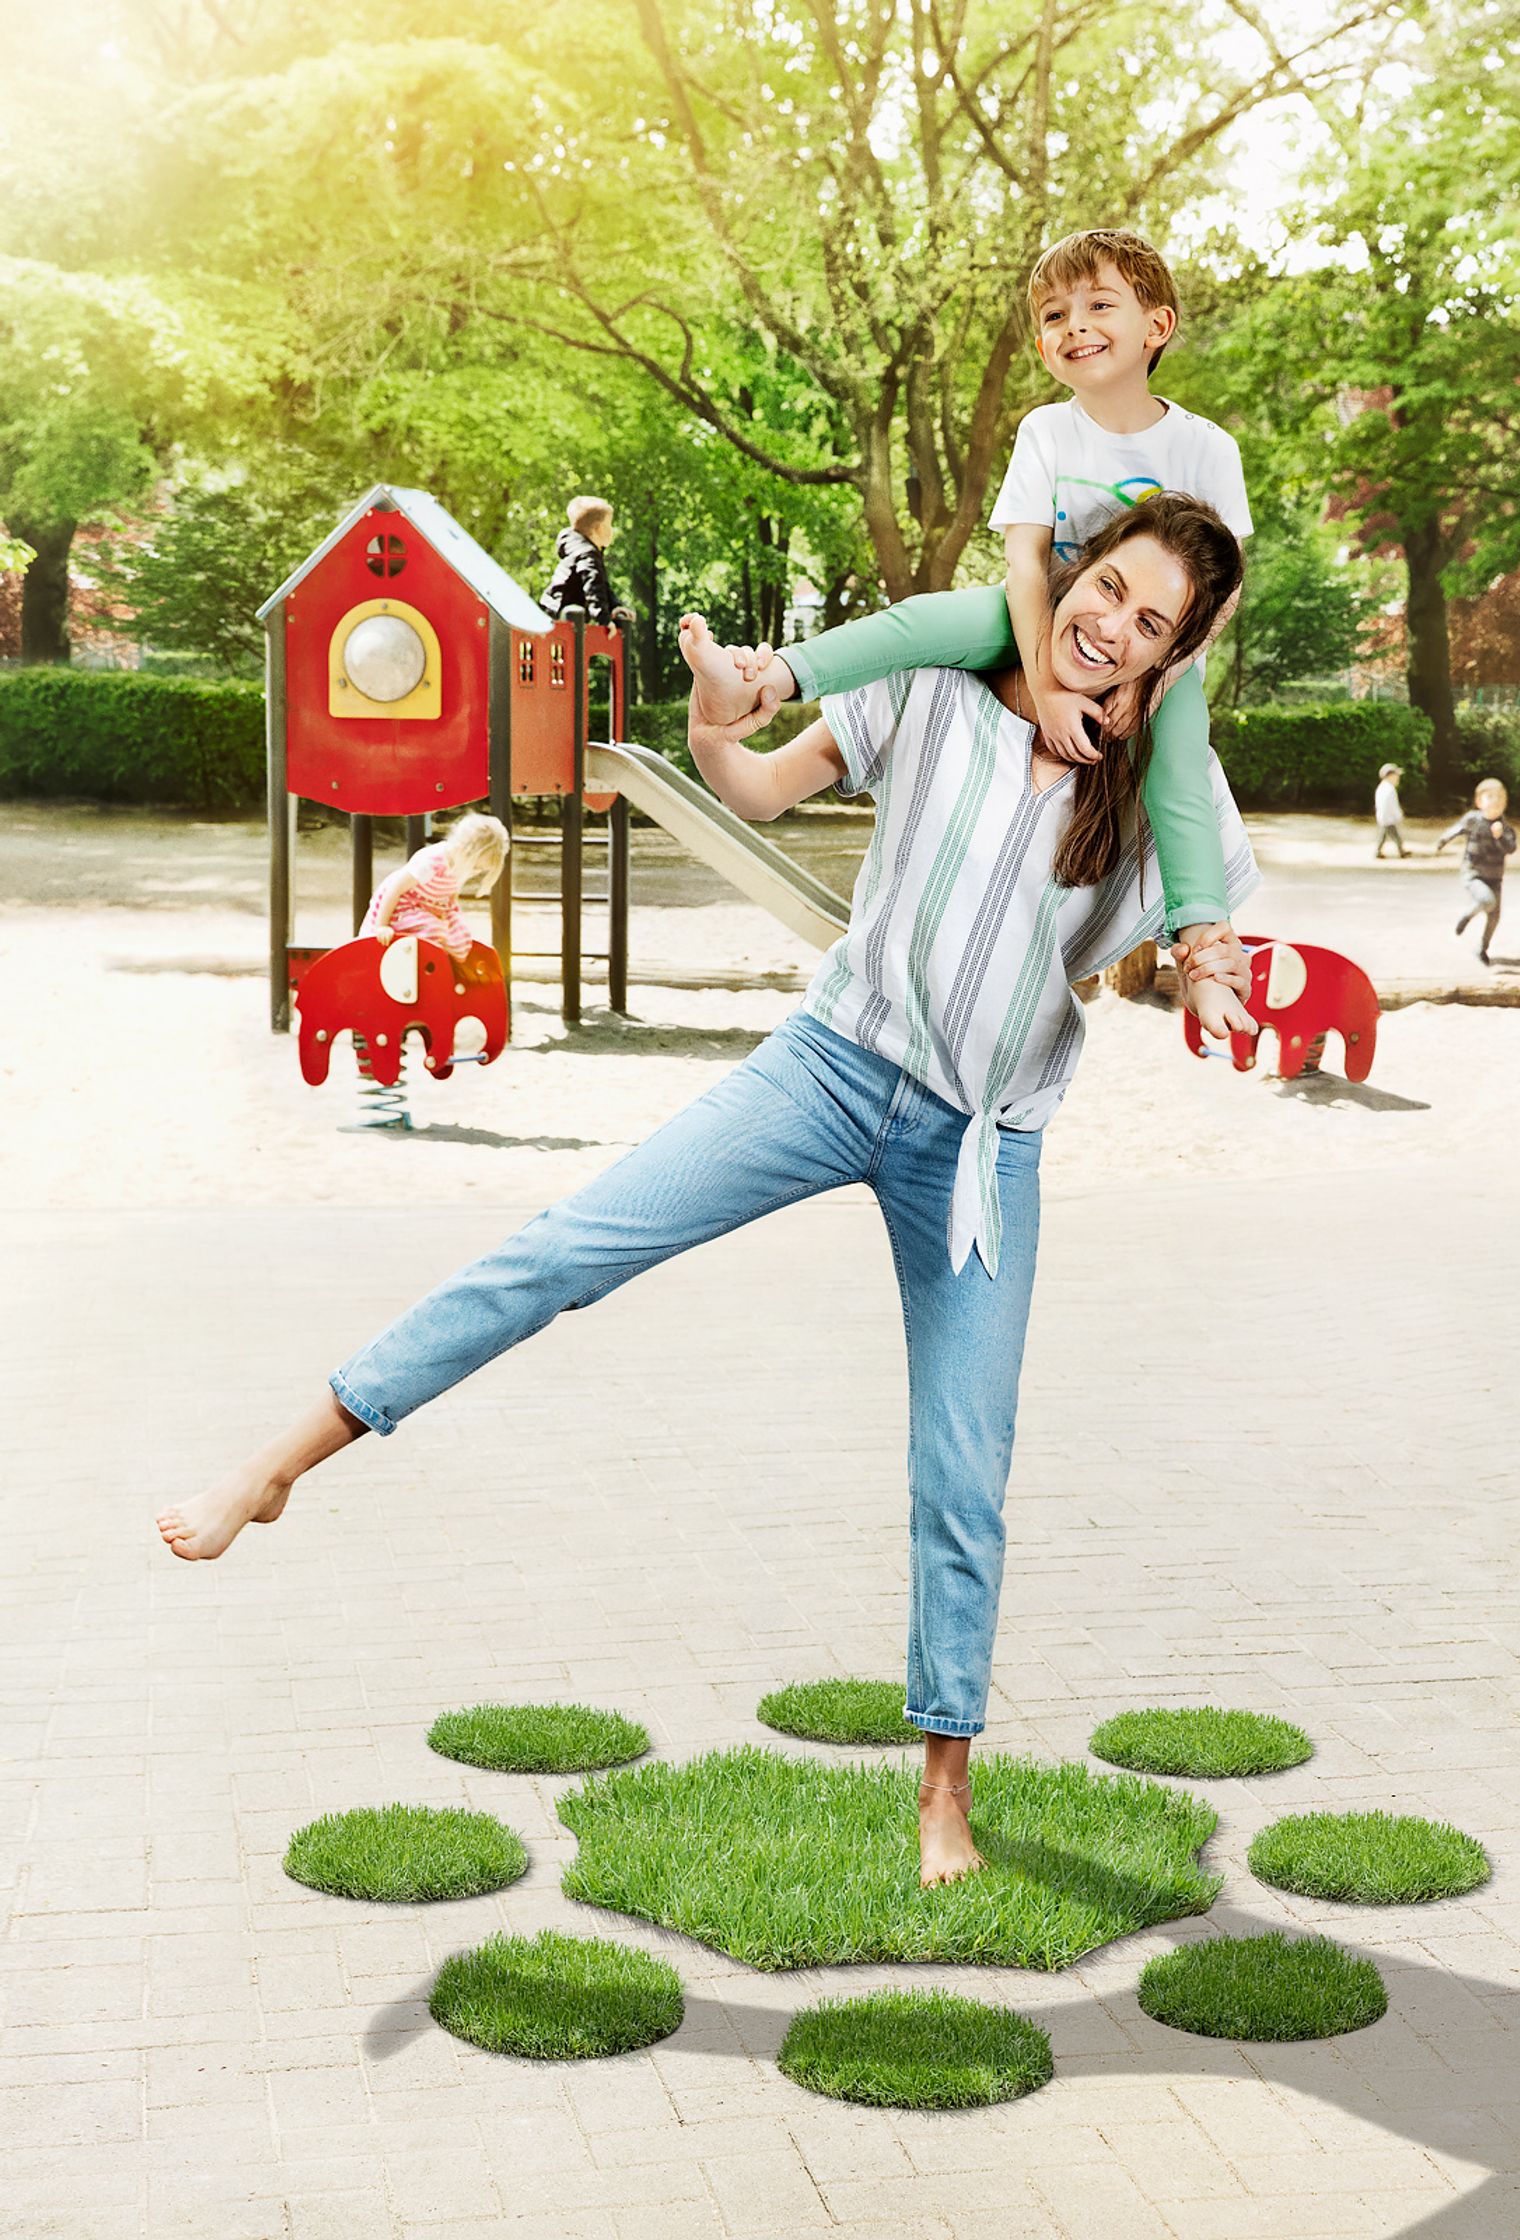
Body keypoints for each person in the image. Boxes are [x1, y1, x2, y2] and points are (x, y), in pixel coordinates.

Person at [155, 494, 1257, 1891]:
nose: (1109, 627)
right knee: (563, 1252)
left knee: (964, 1469)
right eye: (1106, 589)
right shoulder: (931, 690)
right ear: (1068, 576)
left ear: (1172, 658)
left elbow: (1183, 941)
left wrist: (1209, 983)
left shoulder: (1158, 791)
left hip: (981, 1149)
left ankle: (943, 1796)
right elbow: (758, 791)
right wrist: (714, 727)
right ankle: (278, 1462)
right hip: (831, 1069)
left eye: (1150, 624)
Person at [687, 226, 1250, 874]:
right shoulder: (1046, 430)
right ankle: (768, 679)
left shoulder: (1207, 447)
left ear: (1157, 325)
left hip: (1155, 654)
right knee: (919, 623)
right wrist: (1046, 685)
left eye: (1098, 304)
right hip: (1044, 613)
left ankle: (1203, 935)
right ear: (1041, 345)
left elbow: (1223, 593)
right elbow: (1024, 565)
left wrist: (1154, 687)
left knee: (1180, 765)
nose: (1075, 325)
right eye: (1054, 314)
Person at [358, 813, 509, 962]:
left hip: (434, 906)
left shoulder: (460, 862)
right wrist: (382, 926)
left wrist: (450, 914)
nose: (475, 872)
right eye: (476, 866)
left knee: (462, 935)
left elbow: (452, 891)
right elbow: (394, 889)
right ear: (465, 851)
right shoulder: (430, 863)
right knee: (433, 930)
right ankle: (426, 967)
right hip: (404, 907)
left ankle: (446, 968)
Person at [1436, 778, 1517, 962]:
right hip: (1473, 873)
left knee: (1494, 916)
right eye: (1490, 797)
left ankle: (1482, 948)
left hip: (1495, 877)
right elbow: (1456, 829)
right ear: (1479, 801)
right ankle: (1467, 915)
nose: (1495, 801)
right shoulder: (1473, 820)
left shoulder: (1505, 828)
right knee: (1487, 900)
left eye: (1500, 798)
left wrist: (1500, 836)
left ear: (1505, 804)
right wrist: (1442, 841)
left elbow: (1511, 848)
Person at [540, 495, 622, 626]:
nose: (612, 530)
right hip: (561, 613)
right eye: (609, 525)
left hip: (552, 610)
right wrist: (604, 619)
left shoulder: (582, 550)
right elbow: (593, 583)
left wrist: (615, 606)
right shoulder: (587, 554)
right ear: (598, 529)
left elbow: (603, 585)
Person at [1374, 763, 1408, 859]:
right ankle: (1402, 851)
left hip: (1383, 817)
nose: (1398, 778)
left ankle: (1378, 851)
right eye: (1396, 776)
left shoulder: (1381, 787)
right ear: (1390, 776)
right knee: (1396, 837)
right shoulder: (1389, 789)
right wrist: (1398, 815)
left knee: (1383, 836)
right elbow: (1392, 805)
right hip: (1388, 818)